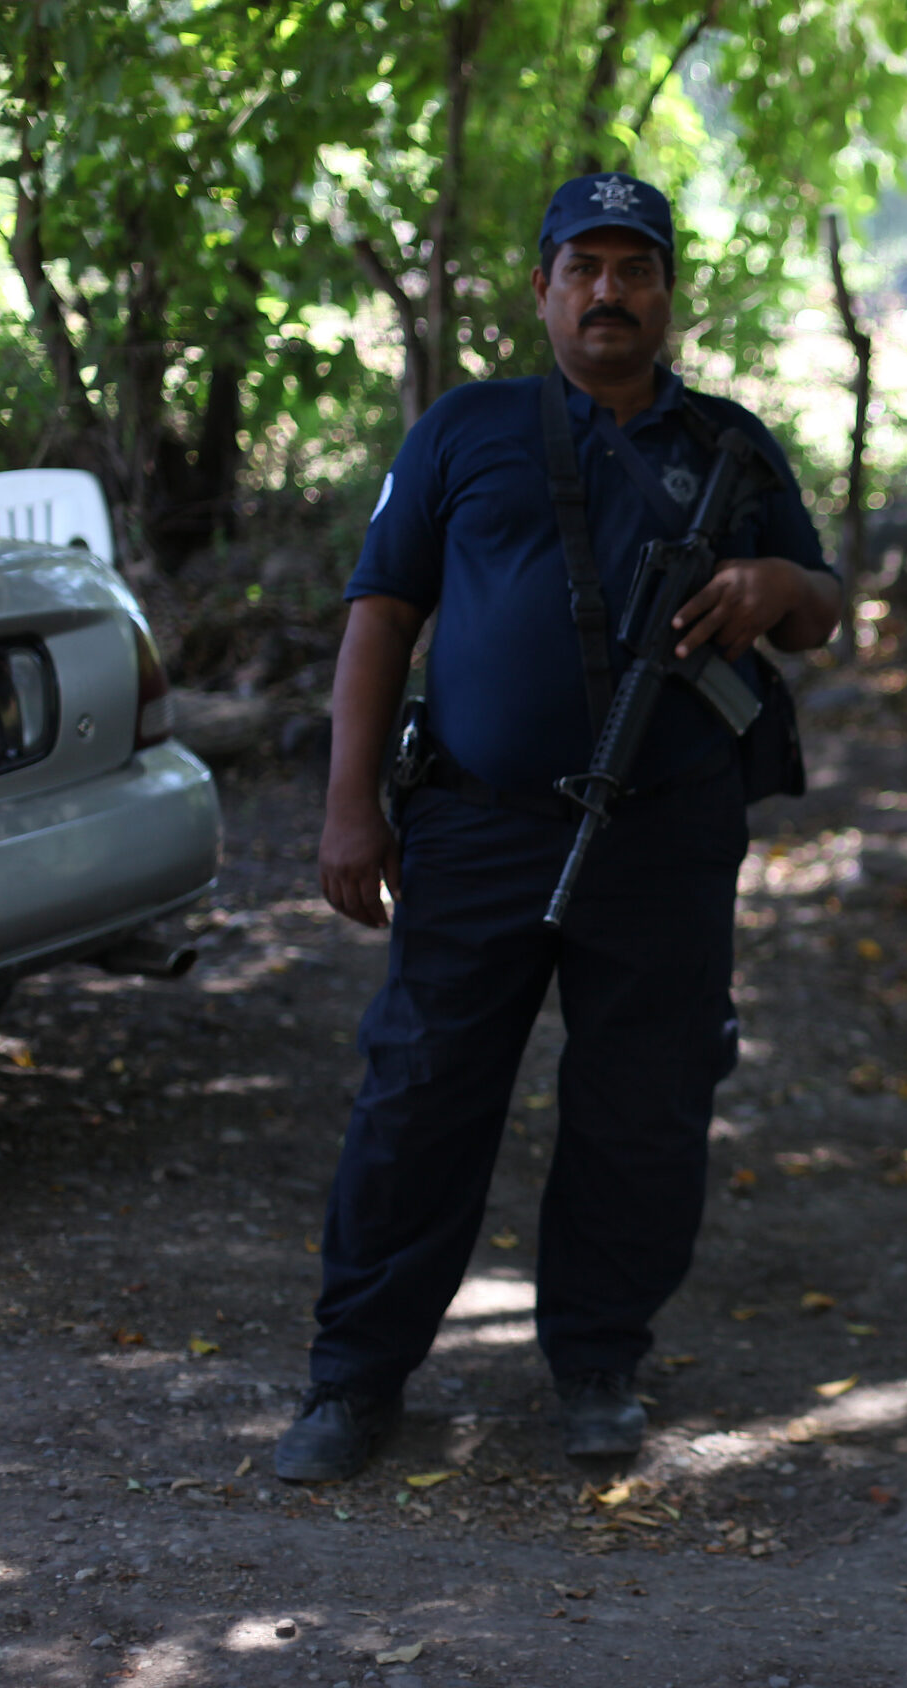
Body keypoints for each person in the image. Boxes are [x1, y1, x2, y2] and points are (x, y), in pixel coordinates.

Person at [275, 172, 841, 1482]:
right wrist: (348, 805)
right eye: (582, 268)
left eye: (634, 268)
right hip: (476, 830)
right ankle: (354, 1379)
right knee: (419, 1097)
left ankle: (598, 1361)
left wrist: (772, 581)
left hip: (668, 837)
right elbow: (380, 614)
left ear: (665, 292)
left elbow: (823, 606)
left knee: (643, 1104)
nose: (608, 291)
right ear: (541, 290)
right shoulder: (464, 431)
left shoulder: (732, 447)